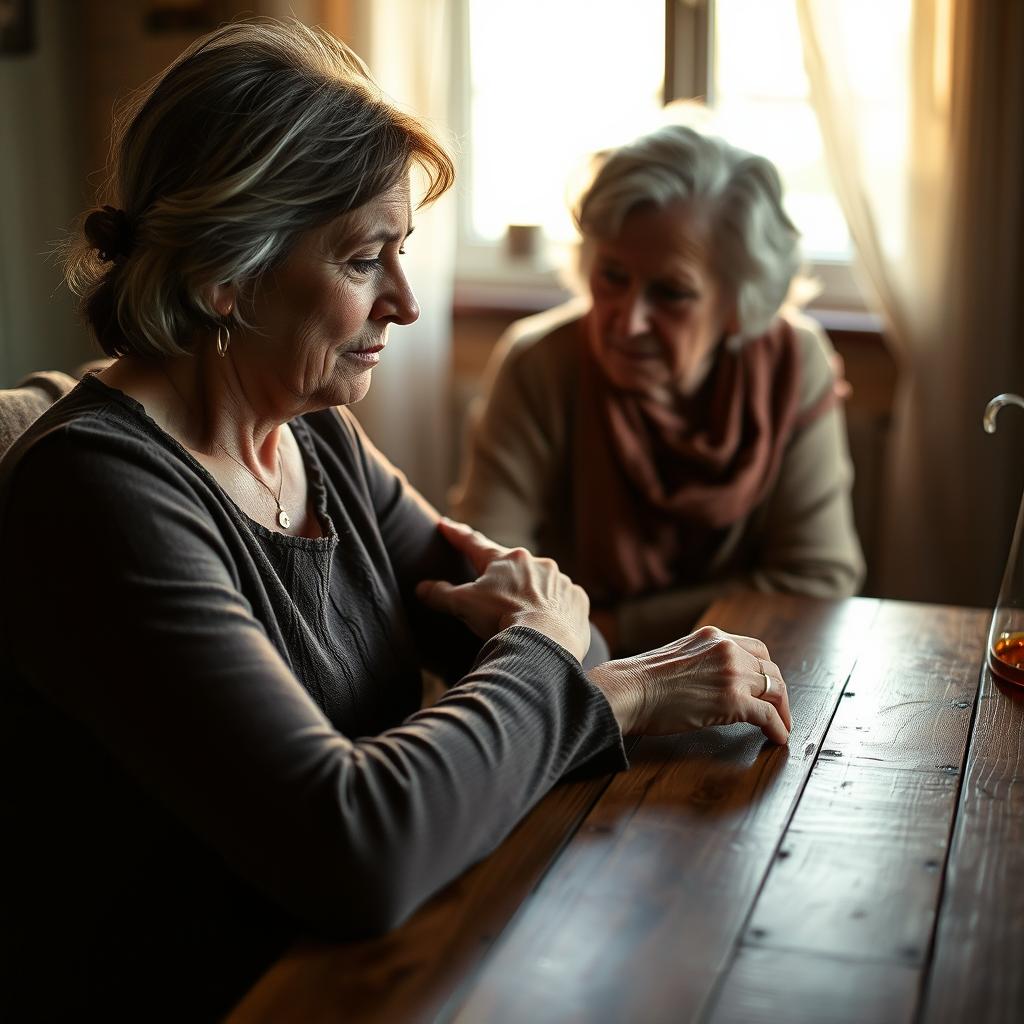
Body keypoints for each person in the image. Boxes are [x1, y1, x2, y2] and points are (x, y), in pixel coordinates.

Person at [0, 22, 792, 1021]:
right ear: (225, 276)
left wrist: (570, 663)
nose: (408, 303)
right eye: (368, 257)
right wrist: (604, 686)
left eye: (403, 251)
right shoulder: (97, 496)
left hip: (377, 968)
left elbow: (564, 644)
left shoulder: (310, 431)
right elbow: (359, 846)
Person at [452, 124, 865, 656]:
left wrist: (604, 629)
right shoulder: (539, 364)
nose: (629, 322)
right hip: (569, 681)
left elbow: (817, 581)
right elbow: (488, 575)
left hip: (744, 674)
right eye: (612, 277)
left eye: (671, 293)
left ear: (742, 303)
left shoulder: (793, 365)